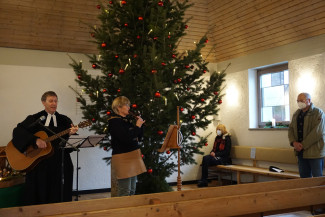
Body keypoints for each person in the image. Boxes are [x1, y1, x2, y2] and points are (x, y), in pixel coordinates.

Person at [12, 91, 78, 205]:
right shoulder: (34, 119)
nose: (54, 103)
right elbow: (18, 131)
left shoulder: (65, 120)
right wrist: (35, 140)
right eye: (51, 101)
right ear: (43, 102)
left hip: (60, 161)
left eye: (56, 101)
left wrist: (72, 134)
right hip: (40, 161)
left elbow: (70, 145)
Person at [108, 96, 146, 196]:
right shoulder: (114, 122)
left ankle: (131, 210)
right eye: (126, 105)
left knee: (132, 189)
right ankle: (122, 211)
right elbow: (126, 138)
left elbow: (139, 137)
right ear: (119, 107)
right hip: (122, 157)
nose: (129, 107)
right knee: (125, 190)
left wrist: (140, 126)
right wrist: (137, 126)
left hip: (133, 155)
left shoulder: (126, 121)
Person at [288, 92, 325, 178]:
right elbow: (291, 129)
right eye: (298, 101)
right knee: (304, 178)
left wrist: (303, 145)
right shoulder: (296, 114)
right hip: (301, 152)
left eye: (301, 100)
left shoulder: (318, 113)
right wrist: (294, 142)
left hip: (315, 152)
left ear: (308, 100)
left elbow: (318, 132)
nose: (299, 103)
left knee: (317, 178)